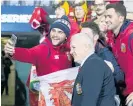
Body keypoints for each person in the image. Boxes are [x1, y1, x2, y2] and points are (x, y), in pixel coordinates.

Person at [4, 15, 72, 106]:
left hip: (64, 98)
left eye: (60, 32)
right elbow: (28, 53)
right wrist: (12, 52)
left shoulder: (70, 50)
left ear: (66, 36)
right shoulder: (44, 48)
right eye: (53, 31)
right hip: (46, 98)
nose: (55, 35)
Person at [70, 33, 116, 106]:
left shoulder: (93, 64)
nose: (71, 52)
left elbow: (89, 101)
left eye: (73, 47)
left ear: (86, 47)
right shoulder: (90, 64)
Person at [105, 3, 133, 106]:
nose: (106, 19)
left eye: (110, 16)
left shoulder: (130, 35)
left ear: (121, 18)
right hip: (124, 91)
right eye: (105, 16)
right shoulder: (113, 37)